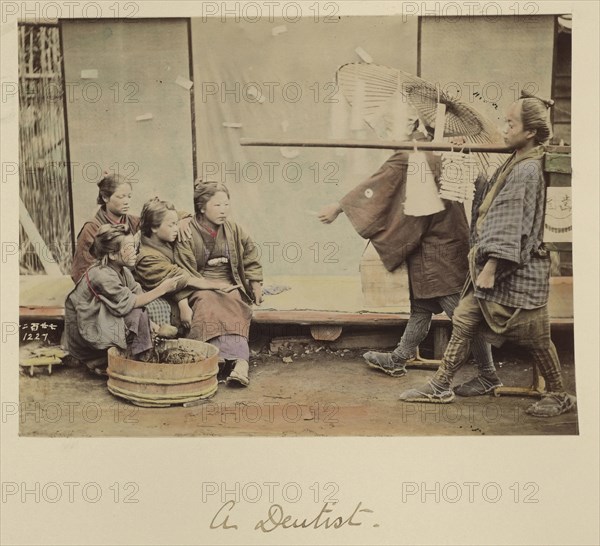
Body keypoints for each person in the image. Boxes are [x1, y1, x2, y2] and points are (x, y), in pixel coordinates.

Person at [399, 93, 576, 417]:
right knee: (465, 318)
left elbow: (510, 220)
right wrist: (464, 154)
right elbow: (489, 194)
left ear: (530, 133)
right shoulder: (517, 158)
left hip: (516, 270)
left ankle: (559, 393)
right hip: (499, 265)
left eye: (511, 124)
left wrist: (491, 266)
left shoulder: (526, 170)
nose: (505, 129)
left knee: (537, 336)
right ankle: (441, 385)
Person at [318, 108, 500, 396]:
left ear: (416, 124)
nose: (389, 129)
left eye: (394, 123)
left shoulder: (410, 156)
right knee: (421, 308)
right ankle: (399, 359)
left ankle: (488, 374)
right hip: (446, 240)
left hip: (438, 249)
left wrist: (339, 207)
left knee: (464, 316)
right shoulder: (447, 152)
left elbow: (376, 185)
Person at [135, 189, 263, 387]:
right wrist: (186, 301)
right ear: (202, 208)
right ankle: (214, 357)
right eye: (217, 205)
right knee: (208, 300)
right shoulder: (149, 255)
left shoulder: (226, 228)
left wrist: (255, 282)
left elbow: (250, 253)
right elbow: (182, 275)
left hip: (212, 282)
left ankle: (240, 361)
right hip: (188, 286)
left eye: (226, 204)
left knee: (233, 297)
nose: (223, 210)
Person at [70, 173, 191, 327]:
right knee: (141, 311)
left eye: (129, 196)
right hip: (104, 292)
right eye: (121, 197)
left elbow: (159, 217)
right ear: (105, 198)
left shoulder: (133, 222)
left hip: (131, 284)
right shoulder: (92, 228)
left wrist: (184, 218)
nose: (126, 201)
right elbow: (82, 272)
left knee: (162, 305)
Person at [63, 224, 183, 375]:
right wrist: (162, 289)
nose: (135, 251)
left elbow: (136, 294)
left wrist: (151, 324)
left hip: (103, 318)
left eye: (134, 246)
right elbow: (129, 303)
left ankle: (139, 355)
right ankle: (132, 358)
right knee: (135, 312)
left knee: (139, 311)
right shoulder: (101, 275)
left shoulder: (123, 270)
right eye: (128, 248)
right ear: (112, 255)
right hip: (86, 329)